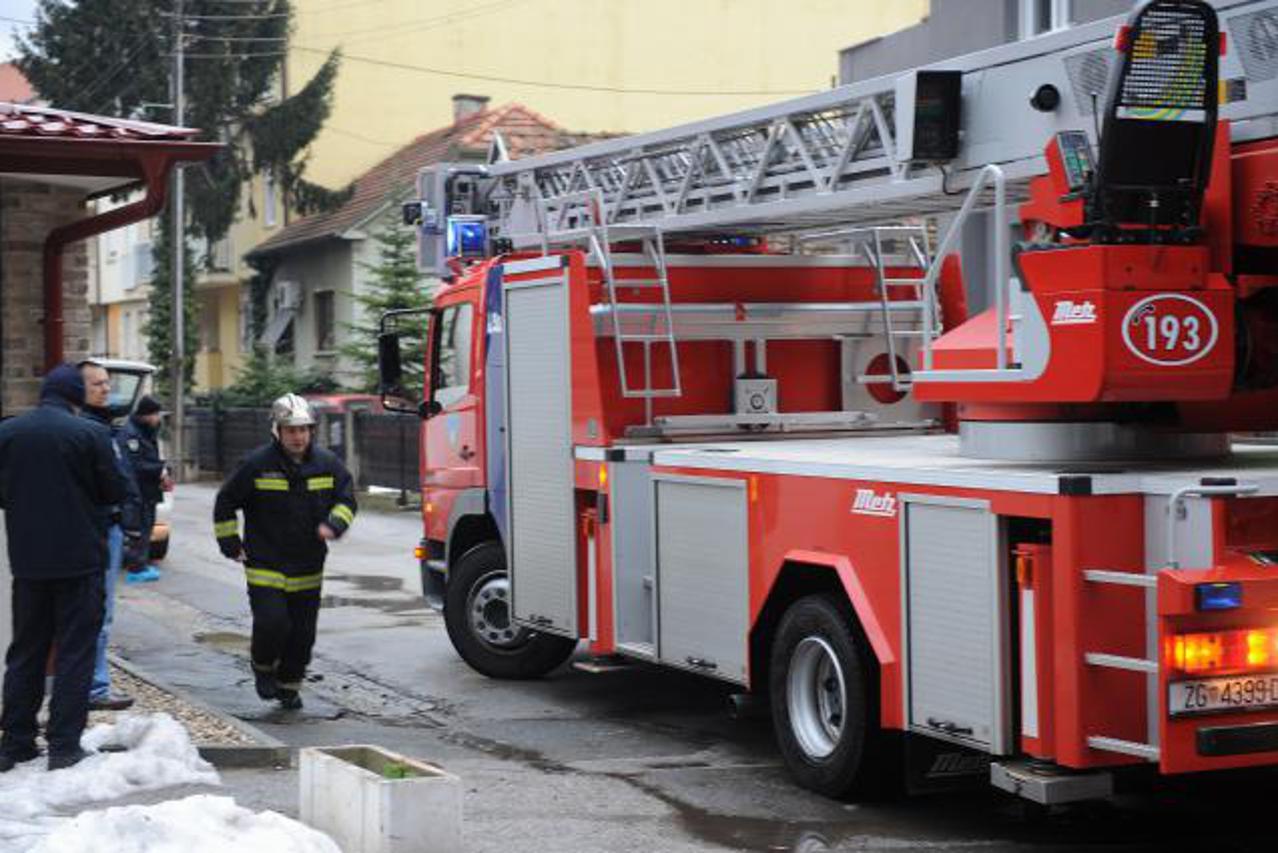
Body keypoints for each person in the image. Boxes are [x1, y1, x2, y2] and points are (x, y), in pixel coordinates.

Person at [0, 364, 125, 771]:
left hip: (29, 563)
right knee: (75, 653)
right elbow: (113, 491)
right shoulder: (91, 434)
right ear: (76, 397)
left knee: (26, 651)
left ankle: (15, 741)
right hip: (80, 563)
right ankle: (64, 745)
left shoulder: (9, 433)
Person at [213, 393, 356, 710]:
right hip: (265, 561)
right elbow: (226, 502)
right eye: (291, 430)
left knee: (302, 635)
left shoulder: (327, 465)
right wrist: (231, 544)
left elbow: (347, 499)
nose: (298, 436)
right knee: (272, 622)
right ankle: (263, 667)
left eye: (303, 429)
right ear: (277, 431)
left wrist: (334, 524)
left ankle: (289, 685)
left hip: (308, 564)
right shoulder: (256, 465)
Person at [78, 361, 143, 712]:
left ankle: (95, 683)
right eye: (97, 384)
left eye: (107, 383)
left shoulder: (106, 426)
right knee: (99, 612)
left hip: (112, 527)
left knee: (103, 613)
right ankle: (94, 687)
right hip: (101, 529)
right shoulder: (90, 431)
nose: (105, 389)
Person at [120, 394, 167, 584]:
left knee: (147, 529)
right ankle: (136, 568)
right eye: (156, 415)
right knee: (138, 530)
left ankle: (141, 564)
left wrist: (161, 470)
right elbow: (135, 465)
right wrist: (159, 469)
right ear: (146, 415)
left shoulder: (146, 430)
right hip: (138, 492)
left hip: (148, 491)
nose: (159, 419)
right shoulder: (131, 434)